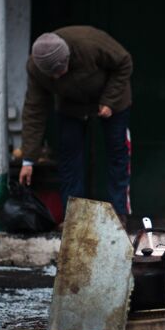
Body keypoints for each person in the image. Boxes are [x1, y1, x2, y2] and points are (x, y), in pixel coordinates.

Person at [18, 26, 133, 225]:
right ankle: (74, 219)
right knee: (69, 157)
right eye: (52, 74)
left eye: (61, 69)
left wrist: (109, 100)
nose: (57, 76)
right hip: (70, 104)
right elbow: (34, 110)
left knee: (117, 152)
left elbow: (124, 62)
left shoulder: (89, 44)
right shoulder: (35, 68)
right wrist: (28, 159)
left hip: (112, 98)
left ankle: (119, 213)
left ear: (68, 57)